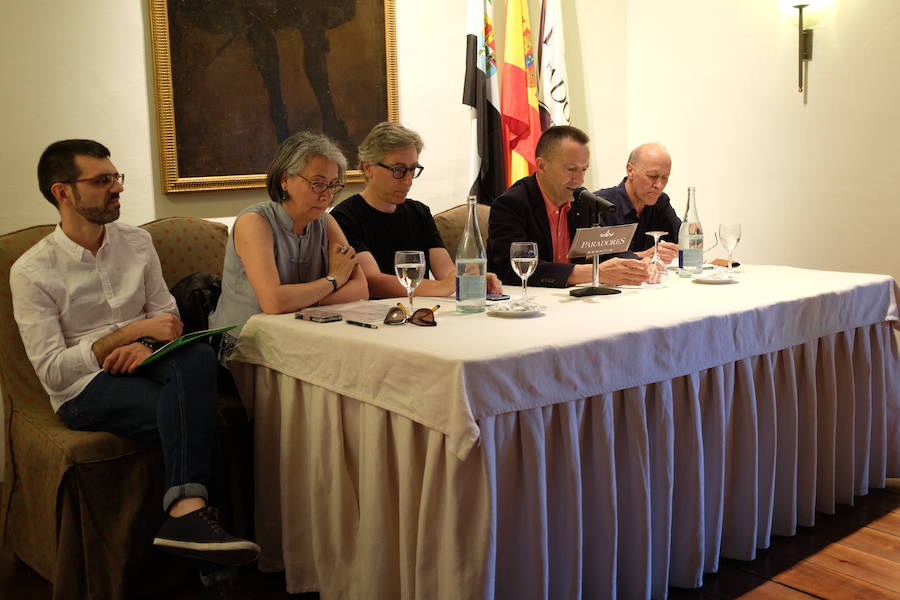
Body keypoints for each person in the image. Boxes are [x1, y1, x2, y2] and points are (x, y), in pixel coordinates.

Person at [10, 139, 259, 596]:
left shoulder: (137, 242)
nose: (117, 188)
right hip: (84, 389)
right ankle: (215, 573)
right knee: (199, 414)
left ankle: (186, 514)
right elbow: (53, 372)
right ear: (63, 192)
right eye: (102, 180)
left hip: (152, 363)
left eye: (117, 177)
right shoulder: (31, 271)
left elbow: (168, 318)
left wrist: (144, 342)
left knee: (196, 355)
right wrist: (126, 336)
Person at [208, 131, 368, 359]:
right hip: (246, 346)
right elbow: (273, 302)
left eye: (333, 185)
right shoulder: (254, 222)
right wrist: (333, 280)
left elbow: (361, 289)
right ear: (285, 180)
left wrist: (300, 301)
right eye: (317, 184)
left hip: (301, 338)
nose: (327, 196)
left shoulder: (326, 222)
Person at [331, 121, 501, 299]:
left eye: (412, 169)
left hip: (419, 310)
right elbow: (372, 282)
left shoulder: (419, 212)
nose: (408, 181)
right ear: (368, 168)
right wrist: (441, 287)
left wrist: (469, 278)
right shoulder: (344, 217)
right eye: (398, 170)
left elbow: (446, 271)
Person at [487, 125, 650, 287]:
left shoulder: (582, 202)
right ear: (541, 166)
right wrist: (594, 273)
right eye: (571, 169)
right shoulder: (511, 204)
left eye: (584, 169)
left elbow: (604, 250)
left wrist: (638, 264)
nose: (579, 180)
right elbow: (511, 269)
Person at [595, 143, 681, 263]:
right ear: (630, 170)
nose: (659, 185)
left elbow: (686, 239)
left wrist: (675, 249)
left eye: (665, 177)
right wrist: (644, 255)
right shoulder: (599, 204)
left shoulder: (660, 202)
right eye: (652, 176)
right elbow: (593, 260)